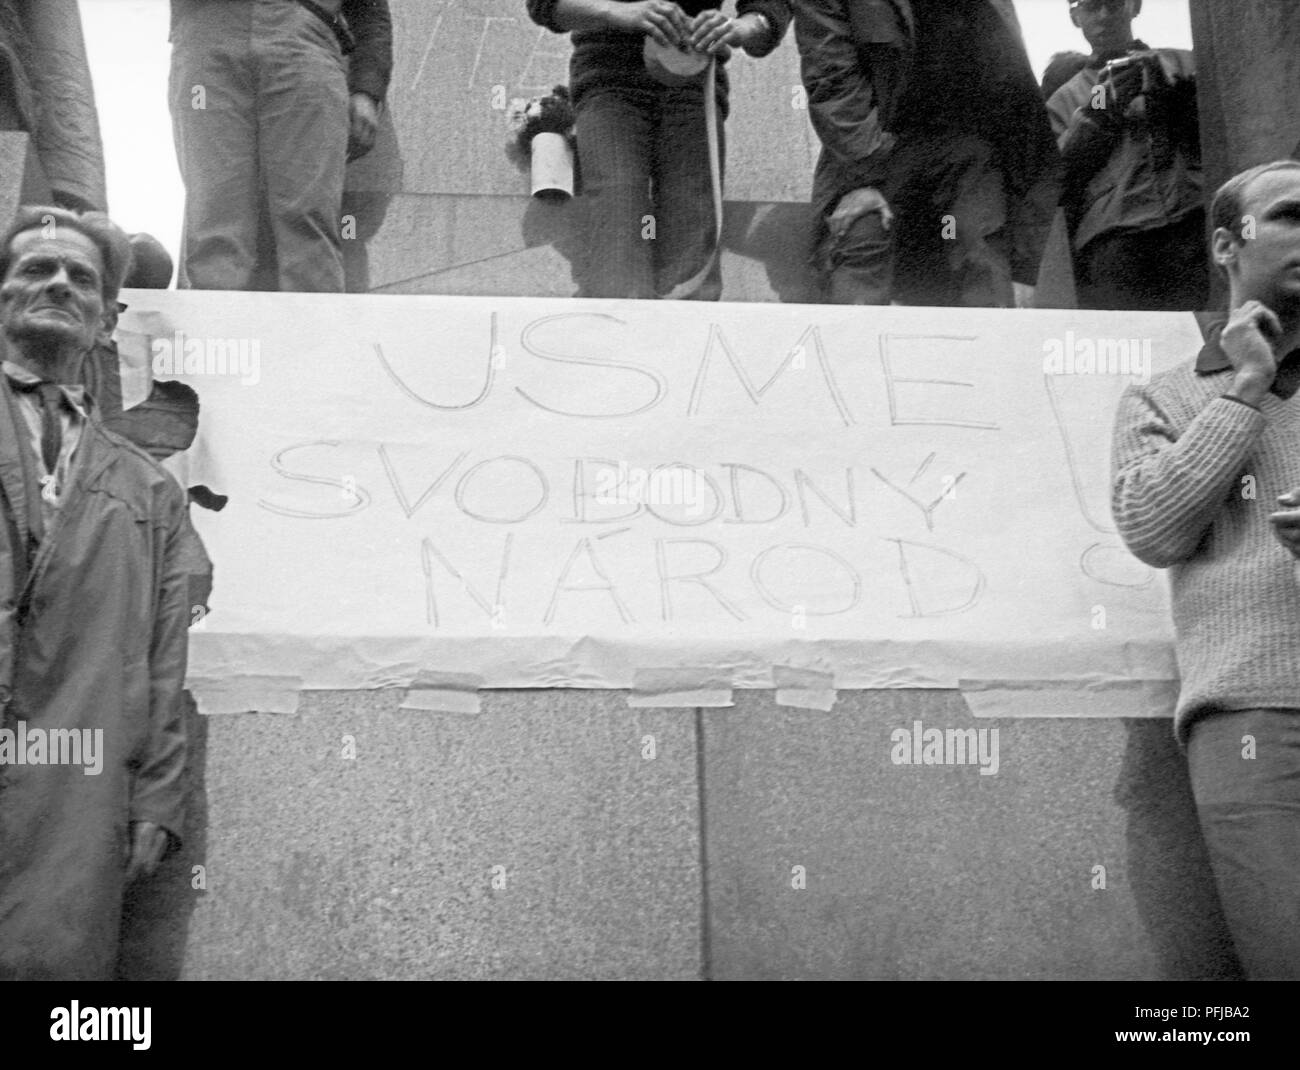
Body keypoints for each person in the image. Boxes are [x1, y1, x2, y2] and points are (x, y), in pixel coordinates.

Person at [1110, 160, 1300, 980]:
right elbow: (1153, 528)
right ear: (1228, 243)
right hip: (1253, 714)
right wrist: (1247, 387)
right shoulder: (1163, 397)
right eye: (1290, 214)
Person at [0, 206, 192, 980]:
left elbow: (164, 657)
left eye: (81, 277)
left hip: (72, 790)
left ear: (106, 320)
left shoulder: (151, 494)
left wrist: (158, 797)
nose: (57, 283)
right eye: (35, 269)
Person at [793, 0, 1060, 308]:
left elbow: (1021, 117)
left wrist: (1025, 267)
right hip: (866, 153)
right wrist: (870, 178)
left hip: (963, 160)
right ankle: (855, 351)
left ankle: (989, 345)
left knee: (982, 248)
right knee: (862, 235)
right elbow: (832, 84)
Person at [525, 0, 791, 301]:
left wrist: (743, 27)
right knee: (619, 218)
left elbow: (770, 7)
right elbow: (545, 4)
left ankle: (686, 337)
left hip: (693, 78)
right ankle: (615, 334)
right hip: (609, 77)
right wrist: (619, 11)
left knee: (691, 230)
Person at [169, 0, 393, 292]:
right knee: (214, 217)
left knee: (309, 219)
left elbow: (371, 11)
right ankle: (221, 333)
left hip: (305, 34)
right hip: (206, 36)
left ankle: (311, 335)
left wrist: (367, 88)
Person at [1047, 0, 1206, 310]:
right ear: (1075, 17)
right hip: (1114, 241)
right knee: (1129, 346)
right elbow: (1054, 181)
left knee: (1203, 336)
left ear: (1135, 6)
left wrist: (1177, 96)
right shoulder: (1062, 100)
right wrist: (1096, 113)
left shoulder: (1187, 63)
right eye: (1093, 7)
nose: (1105, 17)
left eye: (1114, 4)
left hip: (1192, 220)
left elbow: (1229, 131)